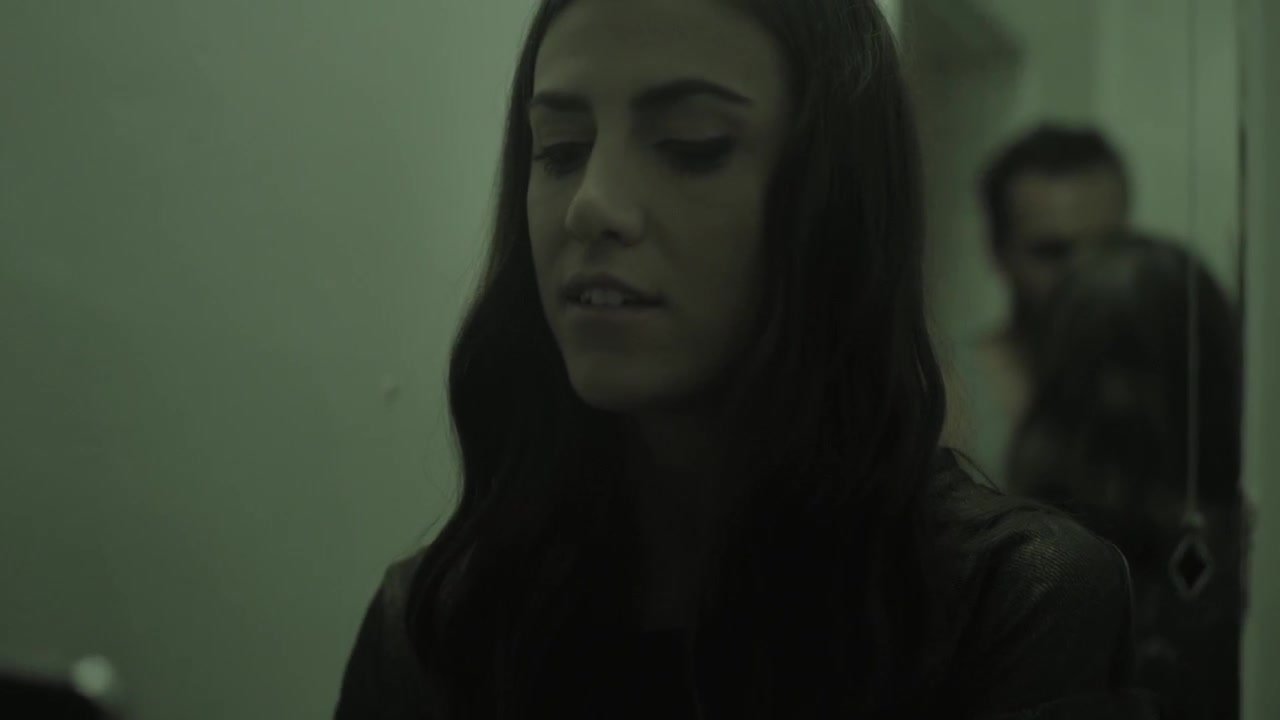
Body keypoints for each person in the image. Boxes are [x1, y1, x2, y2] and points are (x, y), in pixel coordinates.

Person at [335, 1, 1161, 718]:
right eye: (560, 148)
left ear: (831, 200)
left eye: (689, 145)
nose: (591, 205)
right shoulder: (437, 627)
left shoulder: (1009, 603)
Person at [1007, 235, 1246, 720]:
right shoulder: (1037, 535)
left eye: (1138, 364)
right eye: (1098, 365)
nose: (1117, 395)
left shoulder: (1224, 540)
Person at [944, 125, 1131, 491]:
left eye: (1107, 247)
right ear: (999, 251)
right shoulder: (947, 393)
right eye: (1052, 252)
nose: (1083, 274)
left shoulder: (1163, 389)